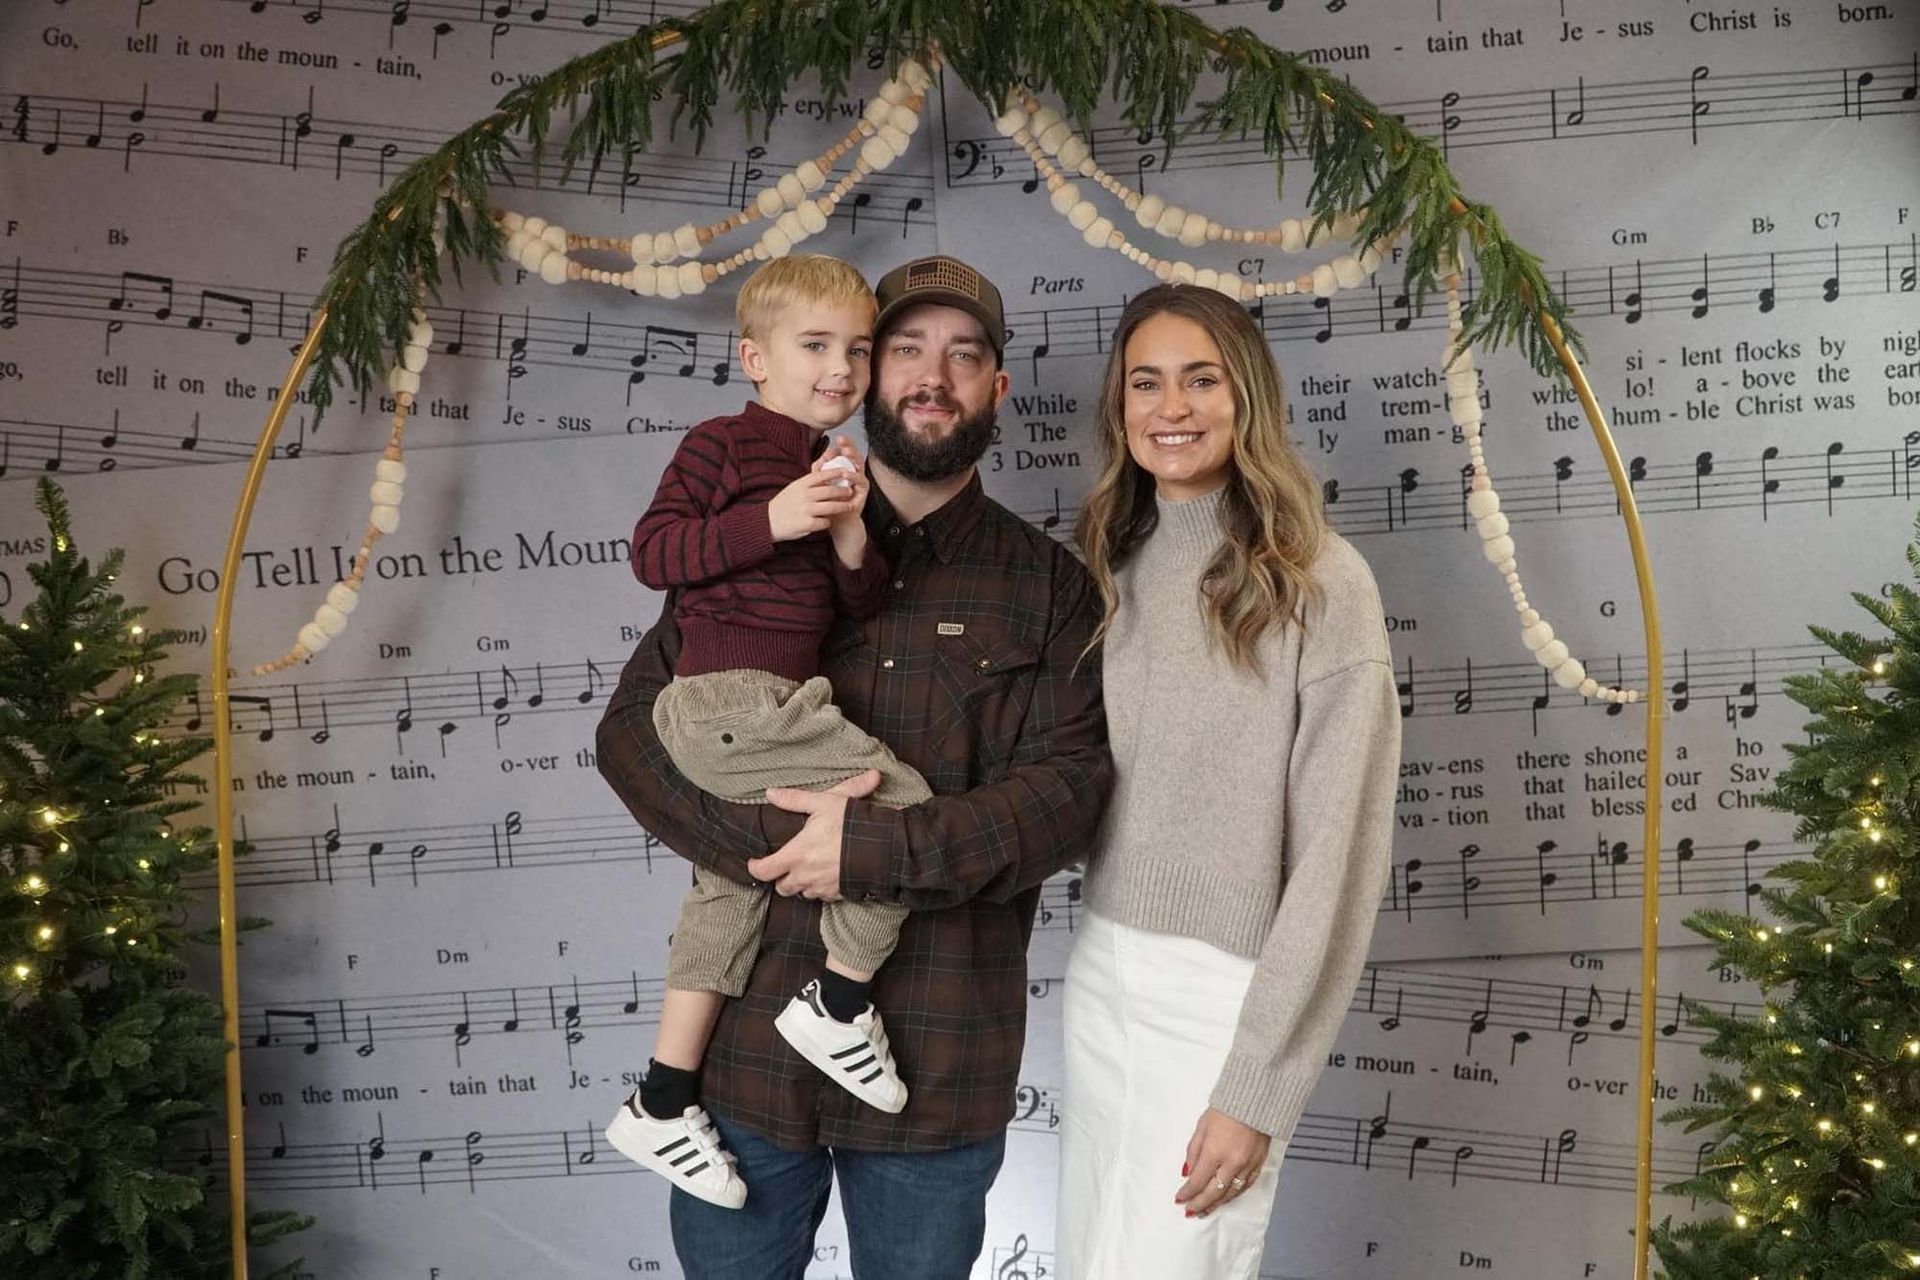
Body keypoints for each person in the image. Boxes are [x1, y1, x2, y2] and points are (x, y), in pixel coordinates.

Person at [595, 254, 1113, 1280]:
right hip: (743, 1062)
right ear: (862, 379)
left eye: (965, 356)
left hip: (938, 1058)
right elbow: (636, 735)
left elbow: (1067, 796)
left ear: (997, 389)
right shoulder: (759, 527)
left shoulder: (1052, 587)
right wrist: (785, 843)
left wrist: (870, 848)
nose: (934, 375)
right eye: (904, 350)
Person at [1057, 283, 1400, 1279]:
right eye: (1147, 383)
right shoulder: (1109, 563)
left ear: (1247, 395)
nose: (1173, 407)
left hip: (1224, 996)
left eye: (1201, 380)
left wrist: (1258, 1084)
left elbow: (1341, 856)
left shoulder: (1320, 580)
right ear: (1120, 409)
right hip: (1104, 970)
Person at [604, 255, 937, 1211]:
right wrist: (776, 516)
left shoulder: (839, 467)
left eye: (859, 350)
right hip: (728, 698)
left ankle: (662, 1098)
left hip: (772, 701)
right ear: (754, 356)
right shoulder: (721, 444)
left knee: (727, 884)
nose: (841, 368)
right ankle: (838, 1004)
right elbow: (654, 554)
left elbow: (855, 600)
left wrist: (845, 535)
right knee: (901, 810)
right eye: (816, 346)